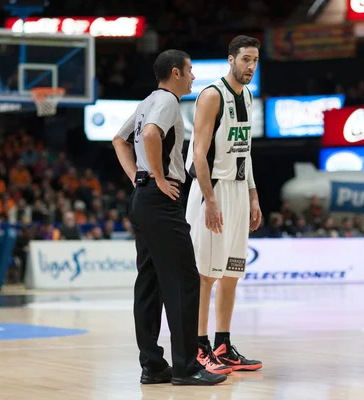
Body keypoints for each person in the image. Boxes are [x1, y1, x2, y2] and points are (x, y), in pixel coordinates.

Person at [112, 49, 226, 386]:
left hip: (143, 198)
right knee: (184, 281)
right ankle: (186, 367)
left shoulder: (147, 101)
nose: (193, 76)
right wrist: (159, 178)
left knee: (149, 283)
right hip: (161, 198)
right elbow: (149, 135)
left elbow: (119, 140)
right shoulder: (167, 101)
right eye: (190, 70)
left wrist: (139, 177)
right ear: (175, 72)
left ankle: (153, 365)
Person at [184, 35, 263, 375]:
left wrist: (253, 194)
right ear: (230, 59)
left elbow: (244, 150)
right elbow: (199, 153)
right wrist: (211, 200)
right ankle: (198, 347)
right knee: (206, 274)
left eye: (255, 60)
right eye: (246, 59)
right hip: (211, 191)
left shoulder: (248, 96)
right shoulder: (212, 95)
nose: (251, 66)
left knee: (231, 272)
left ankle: (222, 344)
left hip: (237, 191)